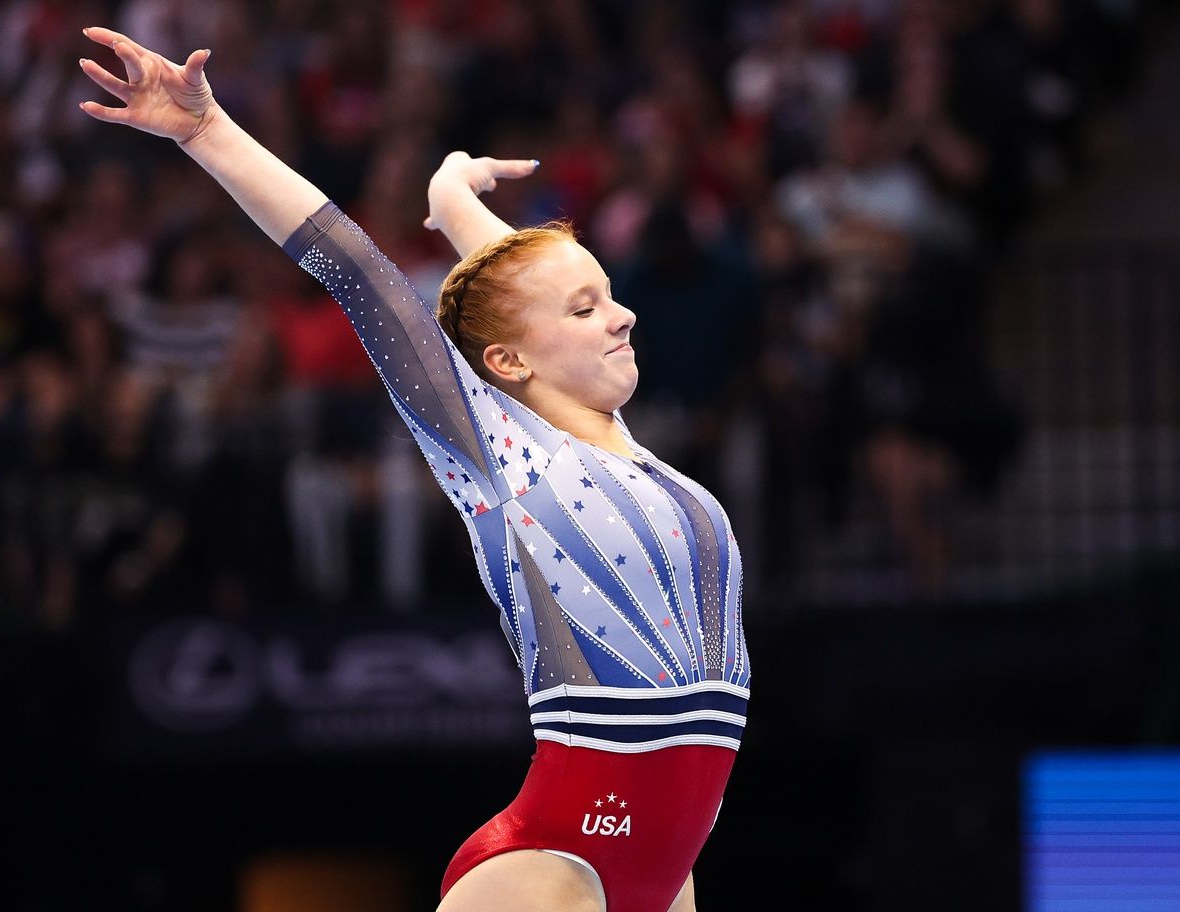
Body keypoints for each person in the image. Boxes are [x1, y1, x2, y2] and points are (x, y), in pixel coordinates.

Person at [78, 26, 750, 912]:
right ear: (507, 364)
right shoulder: (499, 453)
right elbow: (356, 269)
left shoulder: (622, 445)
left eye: (611, 295)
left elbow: (517, 298)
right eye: (588, 308)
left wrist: (455, 199)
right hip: (553, 862)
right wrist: (206, 133)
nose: (620, 316)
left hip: (663, 871)